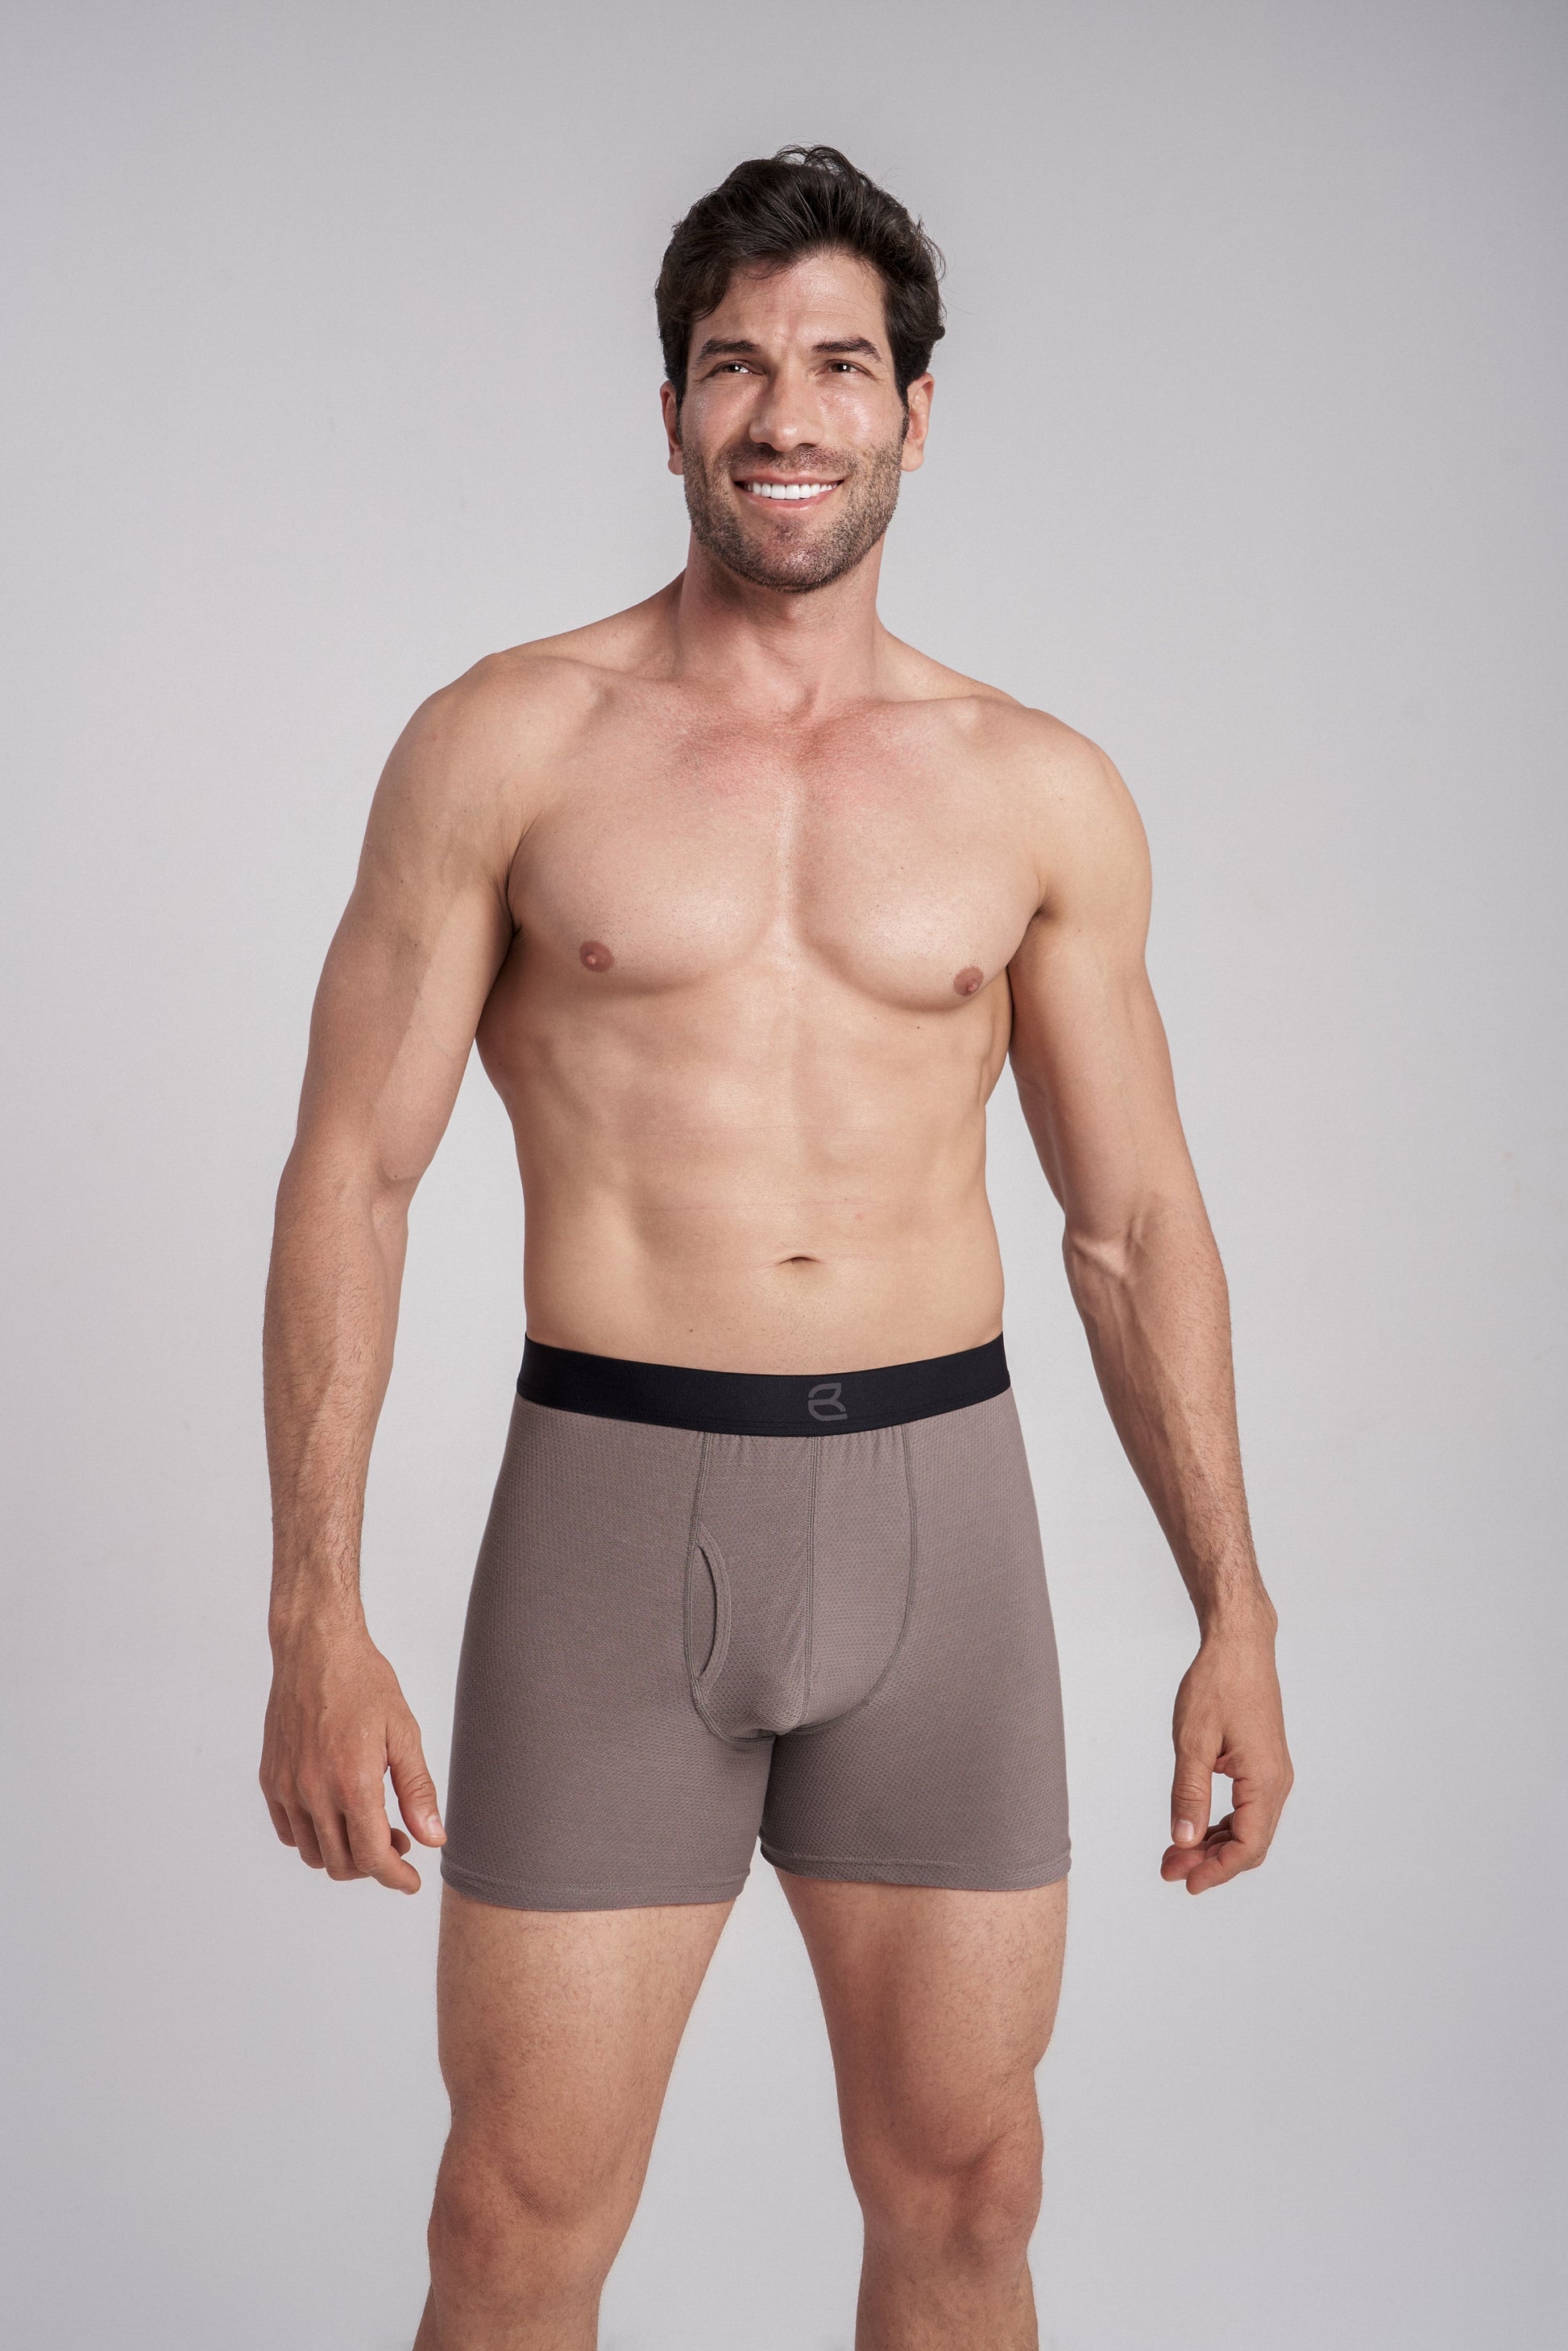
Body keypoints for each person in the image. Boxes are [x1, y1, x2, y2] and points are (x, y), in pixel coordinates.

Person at [259, 144, 1292, 2351]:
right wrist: (313, 1615)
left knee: (969, 2193)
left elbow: (1129, 1227)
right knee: (510, 2223)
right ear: (670, 414)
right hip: (615, 1520)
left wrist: (1236, 1607)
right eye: (734, 366)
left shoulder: (1036, 788)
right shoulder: (507, 742)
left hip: (942, 1527)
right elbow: (352, 1175)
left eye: (836, 365)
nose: (784, 415)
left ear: (916, 409)